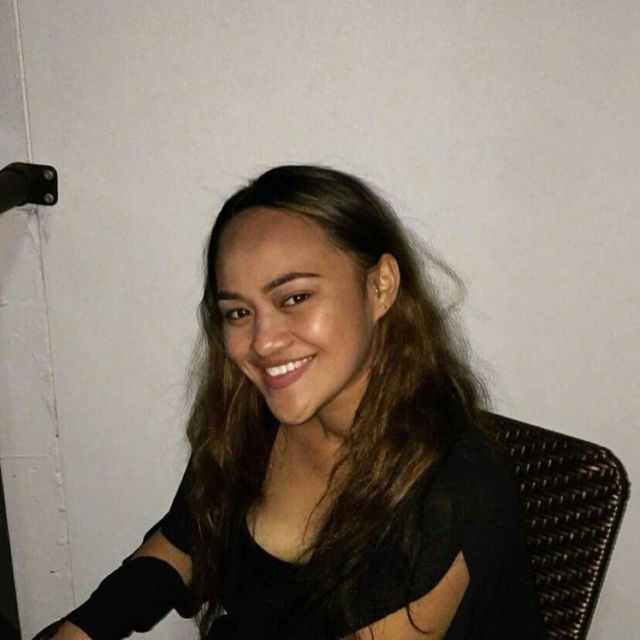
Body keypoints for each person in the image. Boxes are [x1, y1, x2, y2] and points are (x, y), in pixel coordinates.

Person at [35, 165, 547, 639]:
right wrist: (81, 630)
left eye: (294, 298)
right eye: (238, 312)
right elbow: (182, 542)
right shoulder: (256, 417)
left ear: (380, 287)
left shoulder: (450, 488)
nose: (262, 342)